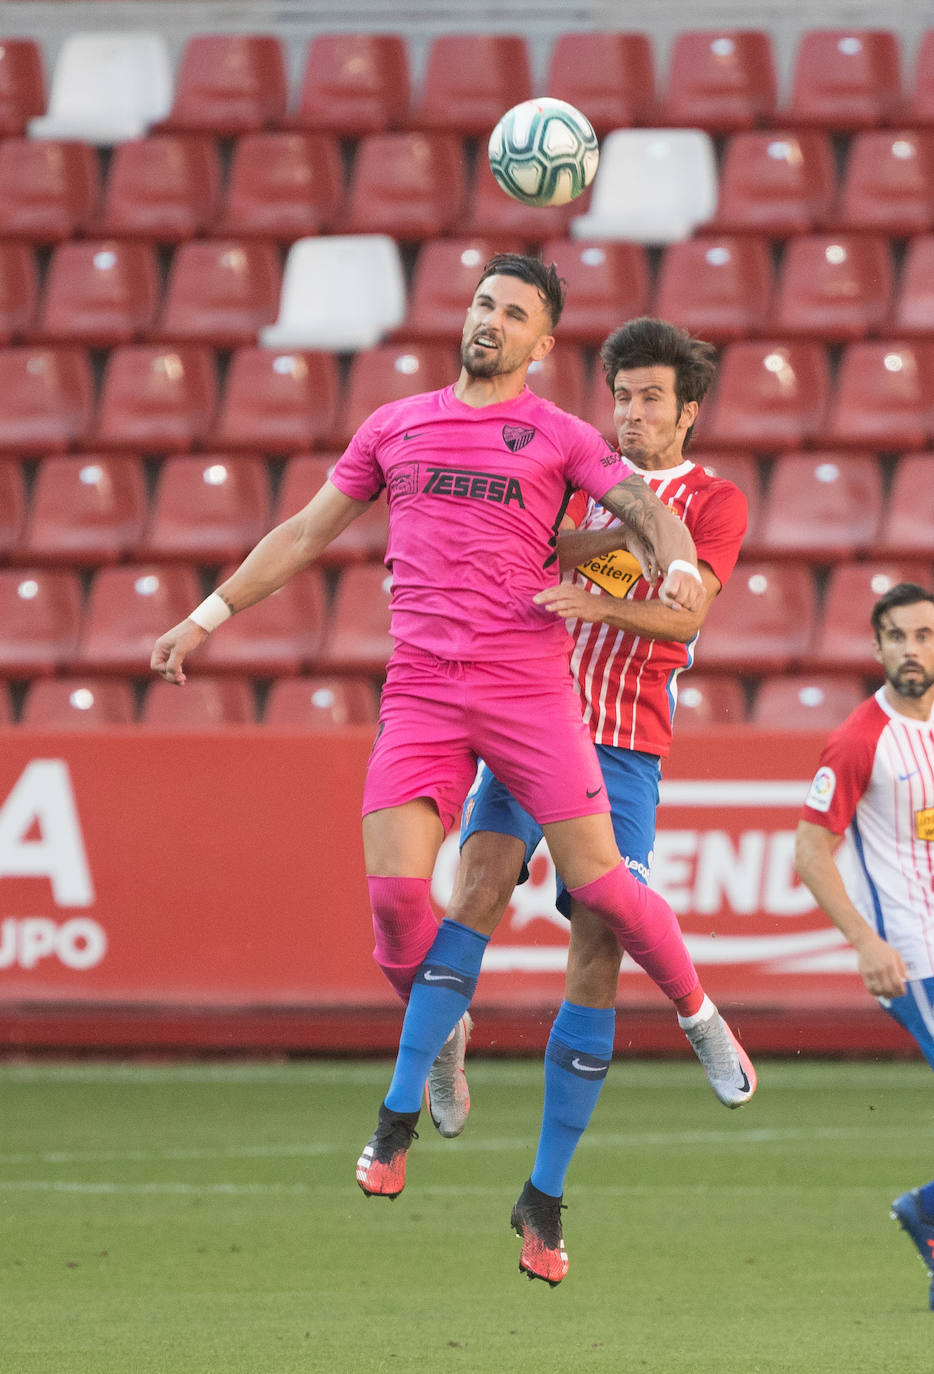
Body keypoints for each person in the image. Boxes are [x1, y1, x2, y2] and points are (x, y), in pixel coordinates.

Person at [150, 252, 704, 1239]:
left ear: (542, 344)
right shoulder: (394, 425)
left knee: (596, 903)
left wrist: (677, 557)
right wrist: (204, 617)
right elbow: (306, 530)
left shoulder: (556, 437)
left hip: (525, 695)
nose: (490, 319)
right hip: (420, 694)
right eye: (484, 302)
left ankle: (652, 1054)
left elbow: (644, 512)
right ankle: (441, 1035)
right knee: (399, 907)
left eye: (514, 312)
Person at [368, 316, 757, 1287]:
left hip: (620, 745)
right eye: (621, 397)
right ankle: (428, 1070)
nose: (631, 415)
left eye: (651, 399)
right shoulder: (573, 475)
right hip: (522, 720)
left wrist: (601, 601)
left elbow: (688, 610)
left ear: (688, 410)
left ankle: (543, 1194)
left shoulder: (710, 500)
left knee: (598, 941)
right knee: (477, 893)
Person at [794, 582, 934, 1311]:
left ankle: (928, 1214)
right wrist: (865, 940)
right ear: (876, 647)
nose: (912, 650)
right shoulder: (859, 738)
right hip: (914, 961)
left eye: (925, 635)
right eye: (898, 637)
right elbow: (812, 849)